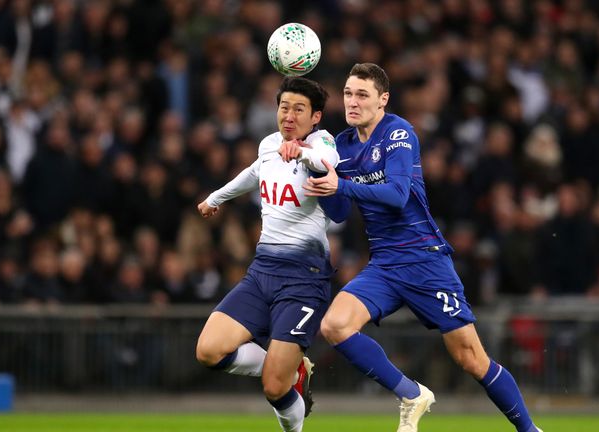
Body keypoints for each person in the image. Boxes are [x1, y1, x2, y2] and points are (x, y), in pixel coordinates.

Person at [304, 63, 542, 432]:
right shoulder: (342, 147)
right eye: (349, 93)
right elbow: (336, 212)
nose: (352, 102)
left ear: (383, 100)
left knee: (471, 359)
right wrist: (319, 171)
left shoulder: (398, 132)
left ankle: (530, 430)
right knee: (334, 325)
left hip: (424, 260)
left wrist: (343, 186)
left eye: (362, 94)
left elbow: (398, 196)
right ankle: (411, 393)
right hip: (384, 265)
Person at [195, 76, 339, 432]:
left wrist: (301, 152)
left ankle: (290, 402)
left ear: (315, 116)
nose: (289, 116)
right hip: (262, 272)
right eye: (283, 107)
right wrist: (217, 197)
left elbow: (326, 162)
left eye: (299, 109)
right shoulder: (269, 145)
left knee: (275, 388)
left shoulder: (322, 142)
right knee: (209, 350)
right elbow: (254, 172)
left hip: (304, 279)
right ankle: (293, 367)